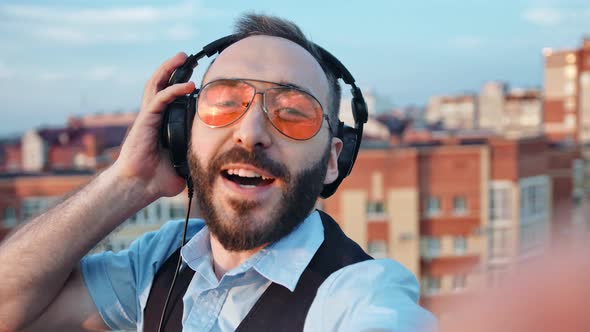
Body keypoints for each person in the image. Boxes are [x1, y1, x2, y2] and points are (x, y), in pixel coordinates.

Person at [0, 14, 434, 332]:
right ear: (180, 133)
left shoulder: (360, 295)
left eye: (293, 112)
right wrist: (128, 181)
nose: (250, 133)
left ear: (331, 160)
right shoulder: (157, 262)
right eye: (224, 103)